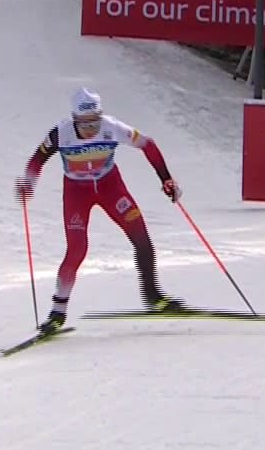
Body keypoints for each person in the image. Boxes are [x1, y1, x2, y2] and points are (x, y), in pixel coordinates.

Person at [17, 87, 185, 335]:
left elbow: (147, 144)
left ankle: (153, 297)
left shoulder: (112, 126)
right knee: (77, 250)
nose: (90, 129)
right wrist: (28, 183)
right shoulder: (61, 133)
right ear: (74, 120)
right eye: (84, 124)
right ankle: (57, 313)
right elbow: (37, 159)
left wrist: (166, 179)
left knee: (142, 238)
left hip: (110, 187)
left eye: (94, 122)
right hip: (76, 192)